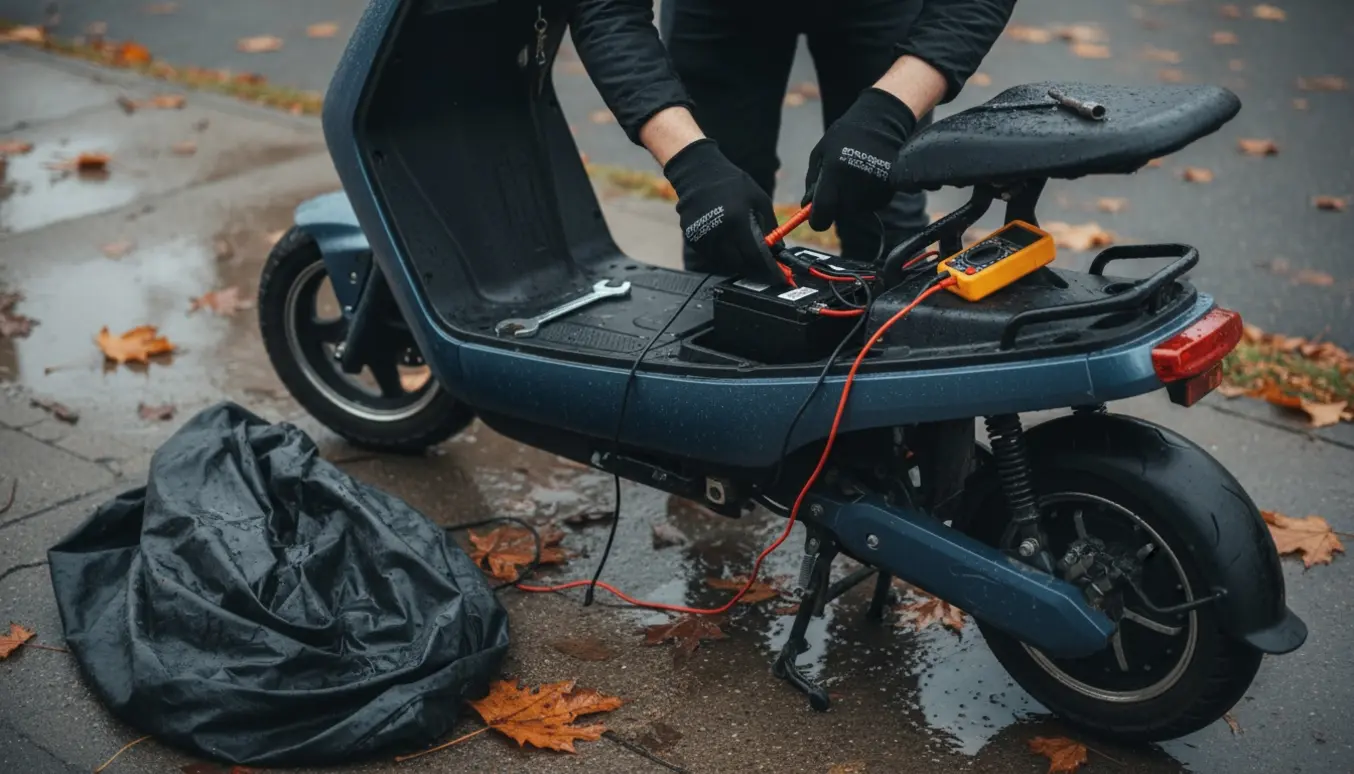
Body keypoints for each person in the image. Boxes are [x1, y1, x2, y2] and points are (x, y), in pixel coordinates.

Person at [570, 0, 1016, 282]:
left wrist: (890, 112)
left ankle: (897, 416)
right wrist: (692, 166)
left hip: (876, 8)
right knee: (725, 229)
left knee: (884, 214)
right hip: (721, 14)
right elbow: (606, 8)